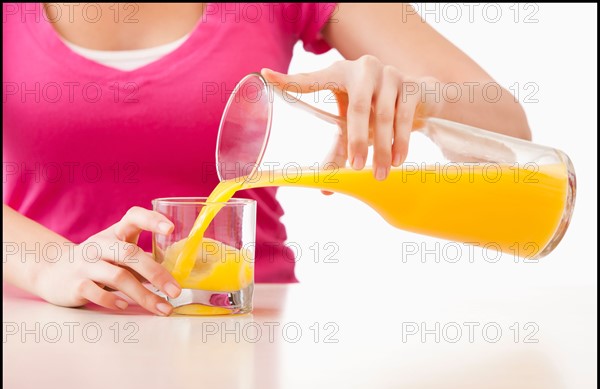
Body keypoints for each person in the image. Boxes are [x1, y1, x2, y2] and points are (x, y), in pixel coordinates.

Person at [3, 3, 531, 315]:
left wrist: (417, 97)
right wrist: (49, 263)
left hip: (244, 335)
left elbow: (509, 132)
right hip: (37, 340)